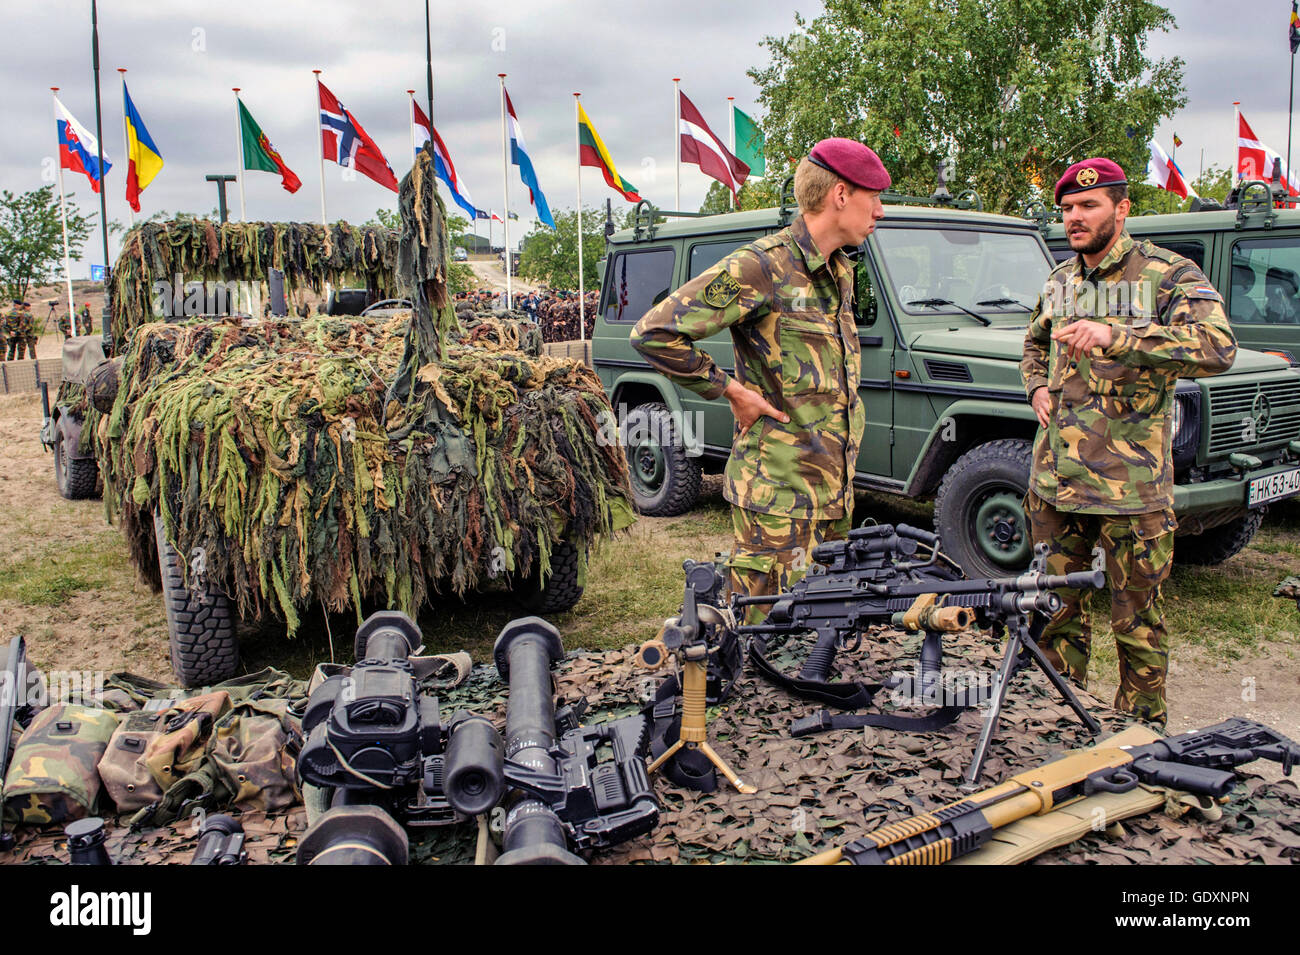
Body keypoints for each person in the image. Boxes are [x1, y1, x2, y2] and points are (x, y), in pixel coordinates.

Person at [632, 137, 888, 621]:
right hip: (777, 498)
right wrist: (730, 390)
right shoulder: (761, 265)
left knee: (822, 629)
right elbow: (654, 332)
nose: (879, 211)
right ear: (839, 195)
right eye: (872, 197)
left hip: (832, 497)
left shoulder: (839, 272)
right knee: (760, 636)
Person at [1020, 157, 1237, 724]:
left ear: (1122, 209)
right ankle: (1058, 722)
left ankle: (1139, 738)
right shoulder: (1060, 280)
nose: (1075, 217)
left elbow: (1217, 347)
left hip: (1130, 490)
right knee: (1053, 609)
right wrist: (1037, 387)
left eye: (1088, 206)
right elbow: (1034, 344)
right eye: (1067, 208)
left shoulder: (1168, 275)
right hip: (1057, 482)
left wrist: (1121, 336)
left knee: (1135, 620)